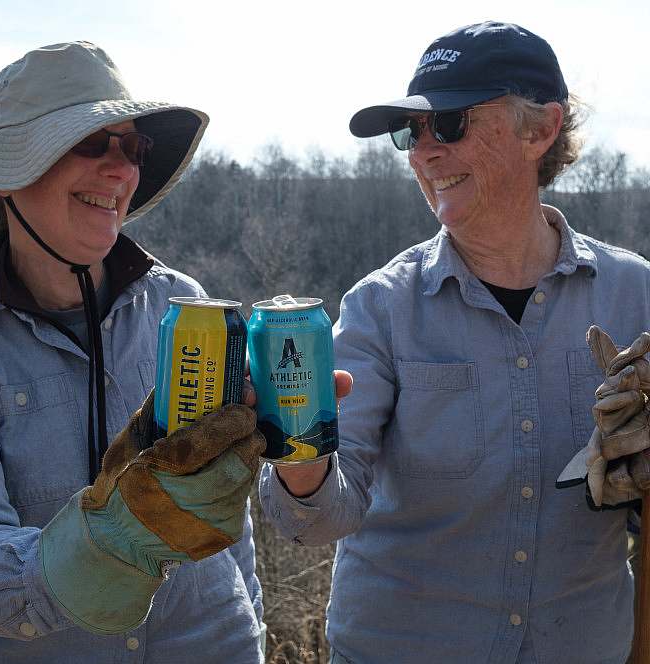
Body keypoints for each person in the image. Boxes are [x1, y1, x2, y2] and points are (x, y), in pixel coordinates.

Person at [259, 21, 650, 664]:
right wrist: (301, 458)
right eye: (409, 132)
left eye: (448, 124)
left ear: (540, 130)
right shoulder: (380, 307)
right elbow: (320, 518)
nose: (423, 152)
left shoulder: (636, 298)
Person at [0, 41, 268, 663]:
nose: (120, 171)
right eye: (89, 143)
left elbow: (233, 531)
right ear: (6, 177)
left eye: (132, 147)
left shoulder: (182, 307)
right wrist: (115, 541)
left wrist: (250, 625)